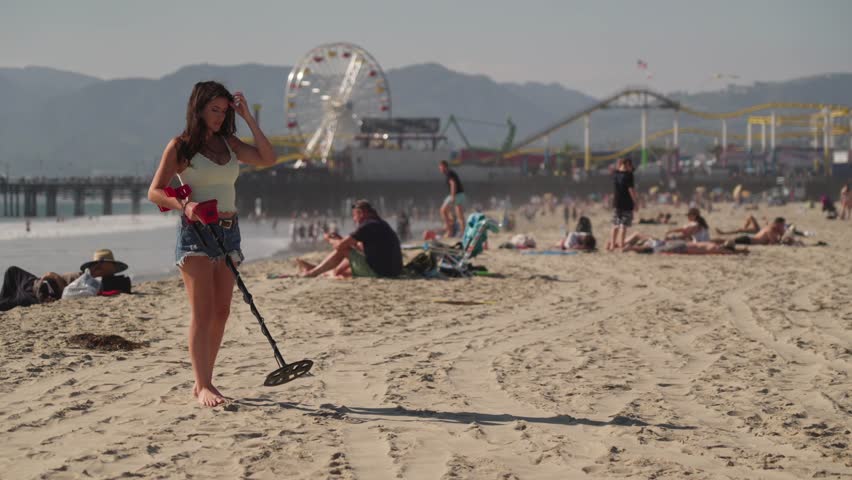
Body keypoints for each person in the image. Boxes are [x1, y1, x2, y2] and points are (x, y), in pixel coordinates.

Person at [148, 81, 275, 407]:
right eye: (214, 110)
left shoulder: (229, 143)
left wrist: (247, 117)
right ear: (199, 108)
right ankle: (202, 384)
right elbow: (155, 191)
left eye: (224, 110)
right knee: (202, 313)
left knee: (221, 311)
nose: (219, 116)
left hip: (230, 231)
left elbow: (267, 158)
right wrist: (185, 205)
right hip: (196, 233)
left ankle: (207, 379)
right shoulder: (181, 146)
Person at [296, 200, 402, 279]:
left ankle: (314, 272)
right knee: (349, 253)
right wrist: (341, 240)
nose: (354, 219)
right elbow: (360, 248)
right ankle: (324, 270)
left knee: (343, 250)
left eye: (354, 215)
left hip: (380, 272)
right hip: (392, 271)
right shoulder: (380, 224)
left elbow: (340, 247)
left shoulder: (367, 226)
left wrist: (329, 239)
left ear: (361, 213)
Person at [1, 249, 128, 311]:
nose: (96, 268)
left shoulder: (87, 282)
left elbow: (66, 293)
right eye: (96, 266)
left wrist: (54, 276)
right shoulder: (88, 280)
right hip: (40, 286)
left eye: (99, 266)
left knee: (12, 273)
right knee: (11, 290)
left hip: (43, 289)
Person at [608, 157, 638, 251]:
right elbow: (631, 190)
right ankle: (621, 245)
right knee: (623, 225)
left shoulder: (616, 174)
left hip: (616, 202)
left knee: (615, 224)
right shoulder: (629, 175)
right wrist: (635, 202)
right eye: (631, 165)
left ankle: (612, 245)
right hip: (627, 203)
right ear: (628, 164)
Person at [713, 217, 787, 245]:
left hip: (748, 239)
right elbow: (773, 243)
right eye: (782, 225)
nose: (783, 227)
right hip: (748, 240)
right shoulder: (770, 230)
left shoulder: (770, 228)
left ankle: (711, 241)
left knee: (726, 241)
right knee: (725, 241)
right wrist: (782, 236)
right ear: (778, 224)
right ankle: (711, 241)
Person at [438, 160, 465, 237]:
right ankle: (451, 229)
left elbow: (453, 184)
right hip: (457, 194)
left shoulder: (449, 173)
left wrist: (453, 196)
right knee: (445, 211)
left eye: (440, 167)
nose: (440, 169)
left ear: (444, 166)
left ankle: (451, 231)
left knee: (458, 214)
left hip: (457, 195)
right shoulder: (449, 173)